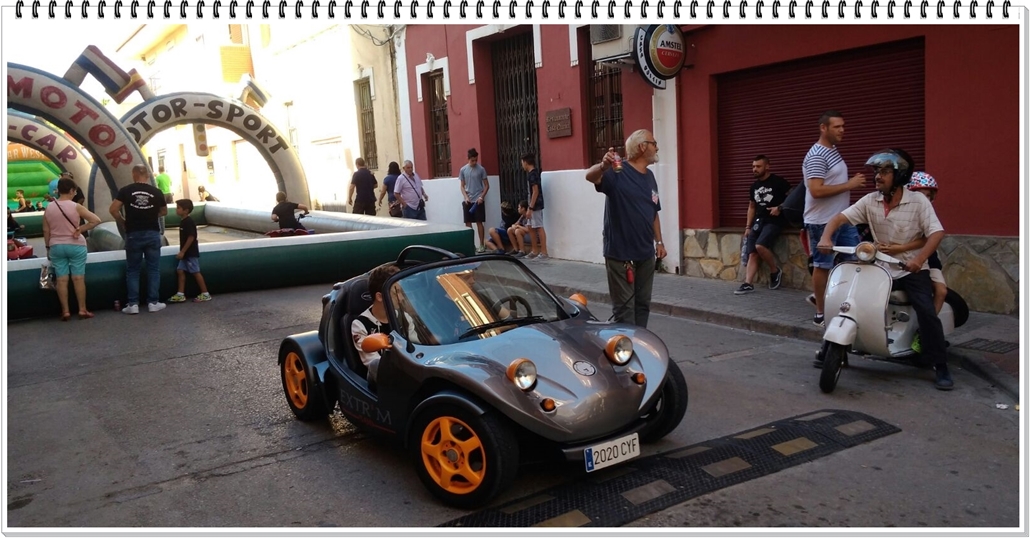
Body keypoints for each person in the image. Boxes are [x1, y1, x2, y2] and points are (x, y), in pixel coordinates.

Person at [817, 149, 952, 391]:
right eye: (877, 171)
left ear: (900, 176)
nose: (878, 176)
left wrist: (919, 259)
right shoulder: (871, 200)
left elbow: (936, 233)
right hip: (879, 266)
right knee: (847, 298)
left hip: (910, 269)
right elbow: (839, 219)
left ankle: (940, 364)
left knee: (926, 310)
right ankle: (830, 348)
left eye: (885, 171)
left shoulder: (918, 201)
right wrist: (826, 237)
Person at [584, 129, 667, 328]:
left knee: (643, 305)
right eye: (654, 143)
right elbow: (590, 176)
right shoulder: (617, 171)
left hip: (645, 254)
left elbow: (653, 211)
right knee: (625, 311)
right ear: (642, 147)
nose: (657, 148)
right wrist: (603, 166)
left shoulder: (650, 177)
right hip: (621, 255)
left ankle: (639, 343)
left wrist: (659, 242)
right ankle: (625, 345)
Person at [802, 110, 867, 327]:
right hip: (821, 221)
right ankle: (820, 312)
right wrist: (849, 185)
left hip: (842, 218)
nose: (842, 130)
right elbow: (816, 190)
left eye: (843, 126)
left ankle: (843, 304)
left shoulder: (832, 150)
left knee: (856, 261)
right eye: (837, 127)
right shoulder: (817, 155)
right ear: (823, 128)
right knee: (823, 265)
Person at [877, 172, 948, 315]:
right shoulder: (900, 210)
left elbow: (929, 237)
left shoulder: (927, 213)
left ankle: (927, 324)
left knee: (941, 291)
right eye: (920, 194)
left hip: (927, 258)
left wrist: (901, 248)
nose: (924, 199)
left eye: (928, 195)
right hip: (898, 262)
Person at [110, 164, 168, 314]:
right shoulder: (156, 191)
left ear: (133, 174)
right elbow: (164, 211)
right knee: (153, 269)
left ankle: (133, 304)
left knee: (133, 270)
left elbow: (113, 209)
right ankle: (153, 303)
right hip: (152, 232)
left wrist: (122, 221)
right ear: (147, 175)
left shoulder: (125, 190)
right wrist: (151, 215)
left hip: (133, 233)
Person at [43, 178, 102, 321]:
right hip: (76, 245)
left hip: (56, 245)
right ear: (71, 190)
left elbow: (46, 230)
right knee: (78, 278)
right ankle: (82, 309)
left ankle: (65, 311)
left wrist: (48, 247)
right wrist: (80, 229)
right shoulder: (76, 206)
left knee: (61, 280)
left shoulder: (49, 207)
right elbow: (96, 220)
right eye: (75, 191)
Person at [735, 155, 791, 295]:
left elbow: (793, 197)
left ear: (767, 166)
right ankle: (748, 284)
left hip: (774, 221)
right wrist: (748, 227)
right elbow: (751, 207)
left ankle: (774, 271)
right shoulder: (754, 186)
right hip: (757, 222)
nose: (755, 169)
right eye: (753, 166)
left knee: (760, 246)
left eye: (758, 166)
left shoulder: (778, 182)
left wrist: (780, 207)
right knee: (752, 253)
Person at [351, 263, 401, 384]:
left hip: (408, 368)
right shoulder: (360, 324)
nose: (402, 298)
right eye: (396, 292)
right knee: (375, 364)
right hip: (380, 377)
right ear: (380, 297)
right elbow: (371, 362)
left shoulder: (403, 317)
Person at [167, 199, 212, 304]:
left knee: (195, 272)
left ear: (186, 210)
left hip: (190, 253)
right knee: (180, 270)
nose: (176, 210)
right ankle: (180, 294)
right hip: (186, 253)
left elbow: (191, 237)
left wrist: (183, 251)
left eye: (178, 208)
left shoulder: (189, 222)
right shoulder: (183, 222)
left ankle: (205, 293)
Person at [459, 148, 490, 252]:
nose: (474, 162)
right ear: (468, 159)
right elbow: (462, 186)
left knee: (479, 222)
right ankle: (471, 245)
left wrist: (482, 197)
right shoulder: (463, 170)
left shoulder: (481, 169)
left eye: (476, 160)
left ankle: (481, 244)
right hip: (468, 200)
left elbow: (486, 185)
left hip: (478, 200)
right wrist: (466, 197)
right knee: (468, 223)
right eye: (472, 160)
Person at [521, 153, 549, 259]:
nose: (522, 165)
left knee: (538, 226)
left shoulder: (533, 175)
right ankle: (534, 250)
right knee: (530, 226)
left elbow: (535, 191)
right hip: (531, 204)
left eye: (522, 163)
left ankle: (544, 252)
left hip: (535, 205)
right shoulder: (531, 174)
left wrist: (531, 208)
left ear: (526, 162)